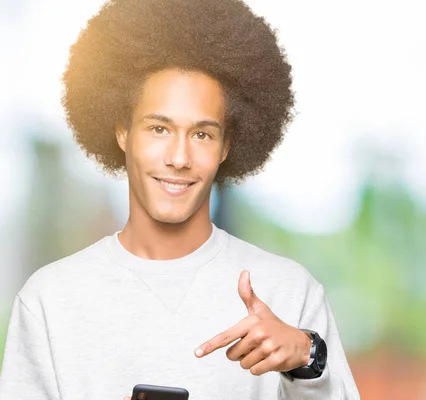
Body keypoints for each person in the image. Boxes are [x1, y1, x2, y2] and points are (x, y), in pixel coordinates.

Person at [0, 0, 360, 399]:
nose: (179, 157)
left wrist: (307, 357)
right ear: (123, 132)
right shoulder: (50, 300)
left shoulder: (288, 292)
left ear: (226, 147)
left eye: (202, 134)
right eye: (159, 128)